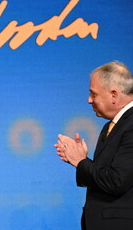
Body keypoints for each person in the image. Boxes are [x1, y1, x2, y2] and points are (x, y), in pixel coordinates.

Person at [54, 61, 133, 230]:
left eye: (93, 94)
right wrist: (79, 161)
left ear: (113, 95)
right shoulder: (110, 126)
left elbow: (117, 181)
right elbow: (106, 175)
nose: (89, 100)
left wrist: (82, 162)